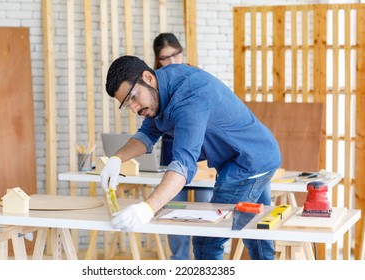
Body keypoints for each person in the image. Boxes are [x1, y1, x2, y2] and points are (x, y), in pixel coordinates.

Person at [100, 55, 281, 260]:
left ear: (148, 78)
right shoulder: (157, 93)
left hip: (249, 163)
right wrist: (116, 159)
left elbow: (183, 165)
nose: (133, 108)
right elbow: (147, 135)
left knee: (207, 241)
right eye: (126, 104)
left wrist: (147, 208)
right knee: (256, 229)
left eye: (133, 97)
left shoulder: (189, 98)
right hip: (251, 156)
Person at [153, 33, 213, 260]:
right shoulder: (155, 84)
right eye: (165, 58)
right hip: (170, 153)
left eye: (175, 54)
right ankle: (178, 260)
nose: (172, 62)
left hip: (199, 153)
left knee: (205, 205)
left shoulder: (194, 76)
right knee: (172, 208)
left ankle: (203, 260)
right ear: (157, 60)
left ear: (181, 52)